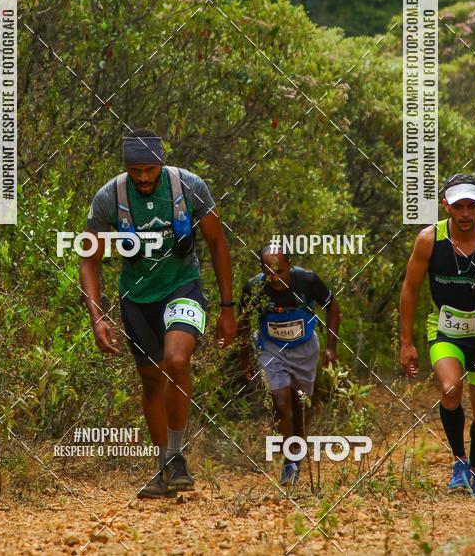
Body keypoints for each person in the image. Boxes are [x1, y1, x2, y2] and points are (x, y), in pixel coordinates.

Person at [80, 129, 237, 498]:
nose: (143, 178)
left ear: (161, 165)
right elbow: (89, 258)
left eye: (150, 170)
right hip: (137, 298)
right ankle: (163, 466)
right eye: (135, 171)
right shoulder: (110, 196)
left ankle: (177, 457)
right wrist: (97, 317)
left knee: (177, 360)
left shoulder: (189, 187)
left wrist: (227, 308)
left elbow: (217, 242)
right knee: (152, 382)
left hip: (183, 287)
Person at [400, 173, 475, 498]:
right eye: (458, 206)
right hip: (443, 330)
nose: (465, 214)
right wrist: (406, 342)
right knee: (450, 388)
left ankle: (474, 469)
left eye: (471, 206)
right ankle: (459, 462)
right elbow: (410, 289)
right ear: (445, 205)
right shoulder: (428, 240)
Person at [238, 243, 341, 486]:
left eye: (280, 271)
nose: (274, 278)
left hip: (304, 348)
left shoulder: (307, 280)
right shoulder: (254, 288)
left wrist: (331, 347)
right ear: (261, 268)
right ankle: (289, 461)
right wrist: (245, 360)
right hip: (271, 347)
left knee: (300, 403)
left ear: (289, 265)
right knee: (280, 401)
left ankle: (298, 449)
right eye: (268, 272)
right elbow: (243, 322)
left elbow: (333, 308)